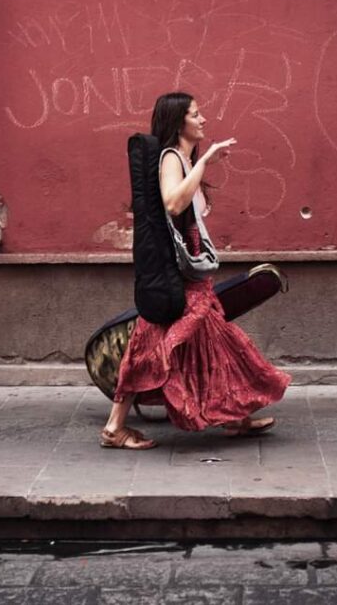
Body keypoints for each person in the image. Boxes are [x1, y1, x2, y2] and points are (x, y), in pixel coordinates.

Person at [100, 92, 292, 449]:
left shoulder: (183, 160)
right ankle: (114, 427)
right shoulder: (172, 157)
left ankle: (236, 417)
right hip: (180, 279)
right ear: (179, 122)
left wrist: (200, 163)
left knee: (217, 342)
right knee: (153, 345)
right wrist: (205, 160)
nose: (203, 119)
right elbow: (173, 204)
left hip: (190, 276)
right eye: (196, 114)